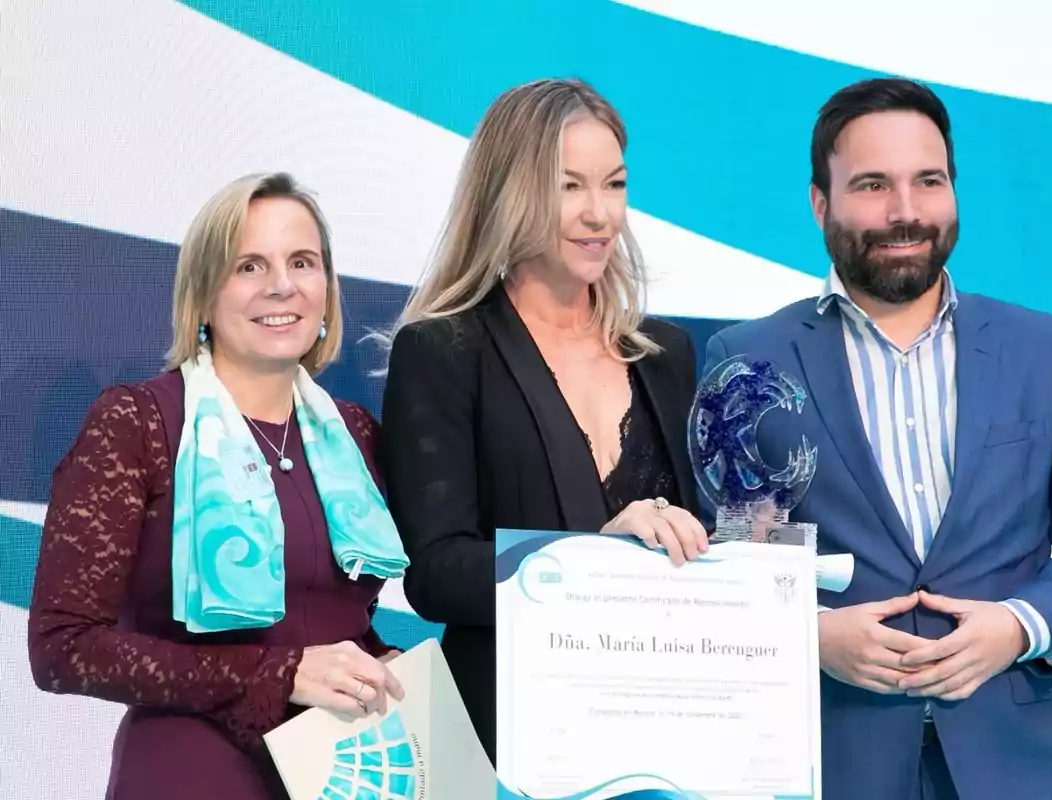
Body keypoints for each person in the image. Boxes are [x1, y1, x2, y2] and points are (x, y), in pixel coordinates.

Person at [702, 77, 1052, 799]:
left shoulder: (1044, 350)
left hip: (1016, 768)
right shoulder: (749, 360)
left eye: (928, 181)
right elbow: (727, 553)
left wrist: (1020, 625)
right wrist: (808, 635)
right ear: (820, 202)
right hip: (827, 763)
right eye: (873, 185)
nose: (905, 211)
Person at [27, 173, 411, 800]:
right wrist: (281, 673)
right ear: (204, 293)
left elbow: (326, 612)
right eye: (249, 265)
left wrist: (373, 661)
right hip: (194, 769)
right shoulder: (137, 424)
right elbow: (63, 648)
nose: (281, 285)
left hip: (342, 770)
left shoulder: (355, 435)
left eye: (302, 262)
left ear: (327, 289)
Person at [377, 77, 710, 762]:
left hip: (663, 733)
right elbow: (435, 573)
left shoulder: (666, 354)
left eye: (614, 184)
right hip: (514, 738)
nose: (599, 213)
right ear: (511, 193)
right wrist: (591, 558)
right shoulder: (443, 351)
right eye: (569, 187)